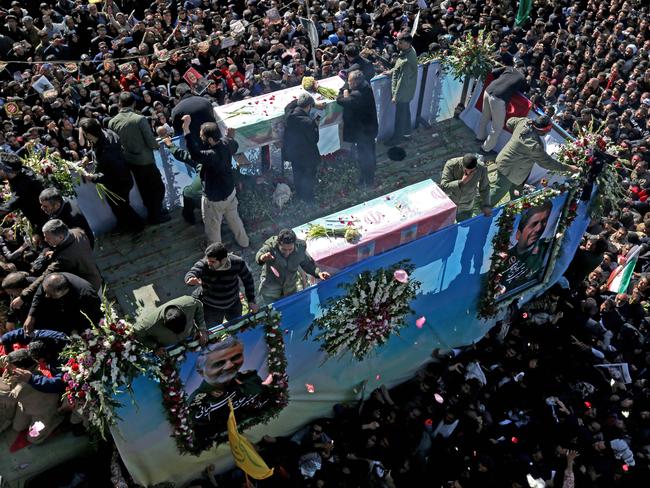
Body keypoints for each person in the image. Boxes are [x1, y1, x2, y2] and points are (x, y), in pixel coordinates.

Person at [166, 115, 249, 248]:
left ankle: (216, 252)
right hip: (229, 192)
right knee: (235, 219)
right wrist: (229, 136)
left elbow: (193, 154)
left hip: (214, 199)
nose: (200, 138)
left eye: (202, 136)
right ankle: (244, 242)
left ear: (210, 139)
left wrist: (186, 129)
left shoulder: (210, 156)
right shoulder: (227, 144)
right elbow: (233, 143)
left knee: (213, 228)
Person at [187, 336, 271, 449]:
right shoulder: (198, 405)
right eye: (218, 363)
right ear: (201, 372)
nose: (230, 365)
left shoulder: (250, 378)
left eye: (236, 357)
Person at [107, 92, 169, 225]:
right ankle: (155, 215)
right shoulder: (139, 118)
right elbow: (150, 140)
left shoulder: (112, 122)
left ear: (120, 104)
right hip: (145, 160)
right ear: (134, 104)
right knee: (157, 188)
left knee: (144, 189)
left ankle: (154, 213)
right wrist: (157, 145)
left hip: (129, 161)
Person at [490, 115, 579, 205]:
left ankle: (512, 210)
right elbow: (548, 163)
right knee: (498, 191)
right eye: (549, 128)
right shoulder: (534, 146)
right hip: (509, 171)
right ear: (543, 130)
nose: (550, 131)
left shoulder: (524, 122)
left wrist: (517, 135)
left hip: (510, 165)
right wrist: (569, 168)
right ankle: (483, 209)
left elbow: (509, 122)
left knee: (516, 196)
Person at [13, 219, 101, 310]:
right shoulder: (76, 232)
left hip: (89, 287)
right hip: (93, 272)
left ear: (61, 237)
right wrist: (55, 253)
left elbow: (45, 276)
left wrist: (23, 296)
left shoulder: (65, 258)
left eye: (48, 238)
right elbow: (71, 249)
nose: (45, 240)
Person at [79, 118, 145, 232]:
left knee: (122, 207)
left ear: (88, 134)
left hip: (119, 183)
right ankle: (124, 225)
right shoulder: (104, 134)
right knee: (116, 206)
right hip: (116, 182)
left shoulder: (108, 150)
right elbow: (95, 149)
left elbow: (111, 174)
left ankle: (138, 226)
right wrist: (88, 157)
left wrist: (93, 177)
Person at [185, 243, 258, 326]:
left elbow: (248, 280)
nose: (209, 263)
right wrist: (190, 279)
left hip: (233, 303)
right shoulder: (204, 264)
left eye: (212, 262)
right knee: (213, 330)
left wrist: (251, 300)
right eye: (208, 260)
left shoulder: (237, 262)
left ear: (223, 260)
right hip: (211, 307)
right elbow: (193, 272)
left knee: (236, 325)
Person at [255, 228, 330, 304]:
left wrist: (319, 273)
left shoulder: (299, 248)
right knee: (275, 314)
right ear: (278, 244)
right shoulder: (271, 246)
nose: (287, 253)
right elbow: (260, 254)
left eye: (290, 249)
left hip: (290, 289)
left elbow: (307, 264)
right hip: (271, 291)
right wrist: (262, 257)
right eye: (284, 250)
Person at [477, 53, 527, 153]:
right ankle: (485, 148)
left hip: (489, 90)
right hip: (499, 97)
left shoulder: (509, 68)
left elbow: (494, 72)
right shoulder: (522, 78)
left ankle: (479, 137)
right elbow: (523, 90)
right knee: (497, 127)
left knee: (485, 116)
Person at [337, 69, 379, 187]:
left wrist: (344, 91)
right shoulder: (365, 86)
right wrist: (347, 87)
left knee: (365, 157)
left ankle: (368, 181)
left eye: (349, 82)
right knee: (369, 153)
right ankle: (367, 176)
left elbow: (341, 100)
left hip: (363, 132)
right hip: (369, 129)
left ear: (355, 82)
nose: (348, 83)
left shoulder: (357, 95)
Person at [24, 272, 102, 336]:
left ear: (63, 292)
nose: (46, 296)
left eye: (51, 295)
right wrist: (31, 316)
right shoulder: (49, 282)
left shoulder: (87, 295)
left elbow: (92, 318)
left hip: (84, 312)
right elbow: (39, 295)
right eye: (46, 292)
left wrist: (77, 331)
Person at [502, 201, 553, 293]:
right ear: (518, 234)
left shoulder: (545, 248)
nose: (539, 229)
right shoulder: (503, 257)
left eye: (543, 222)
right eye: (534, 224)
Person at [283, 93, 321, 202]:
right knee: (308, 178)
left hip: (294, 154)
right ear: (309, 106)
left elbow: (289, 105)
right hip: (307, 156)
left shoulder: (289, 114)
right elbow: (314, 139)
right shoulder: (308, 122)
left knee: (298, 176)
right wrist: (316, 126)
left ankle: (300, 197)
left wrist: (299, 100)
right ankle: (309, 200)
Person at [134, 295, 208, 349]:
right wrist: (155, 346)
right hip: (168, 347)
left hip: (192, 336)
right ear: (164, 324)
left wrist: (202, 329)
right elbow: (138, 334)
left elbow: (199, 308)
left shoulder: (190, 303)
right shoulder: (148, 325)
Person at [384, 32, 418, 147]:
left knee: (400, 116)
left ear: (408, 44)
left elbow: (402, 81)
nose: (397, 44)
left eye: (400, 42)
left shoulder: (407, 60)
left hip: (403, 92)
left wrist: (395, 96)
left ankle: (397, 138)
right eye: (398, 41)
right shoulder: (409, 50)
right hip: (407, 90)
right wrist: (392, 71)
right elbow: (399, 68)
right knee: (405, 112)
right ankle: (407, 133)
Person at [0, 152, 47, 234]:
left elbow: (9, 205)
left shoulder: (24, 185)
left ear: (7, 169)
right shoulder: (22, 170)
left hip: (44, 222)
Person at [440, 154, 492, 221]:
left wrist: (486, 205)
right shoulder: (451, 165)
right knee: (448, 227)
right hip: (450, 204)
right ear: (462, 165)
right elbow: (444, 186)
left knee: (464, 225)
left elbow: (485, 188)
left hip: (467, 205)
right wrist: (461, 182)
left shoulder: (481, 168)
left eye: (472, 171)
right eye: (466, 170)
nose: (469, 173)